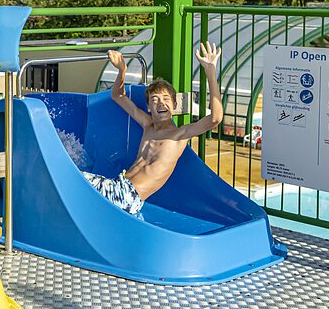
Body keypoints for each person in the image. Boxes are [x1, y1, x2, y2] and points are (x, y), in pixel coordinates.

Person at [81, 43, 223, 216]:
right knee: (67, 178)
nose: (161, 103)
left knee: (70, 177)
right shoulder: (147, 125)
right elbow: (118, 96)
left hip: (129, 196)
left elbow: (215, 118)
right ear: (148, 107)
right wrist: (122, 70)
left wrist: (210, 71)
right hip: (117, 187)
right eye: (155, 100)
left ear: (174, 105)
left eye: (166, 99)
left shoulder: (179, 135)